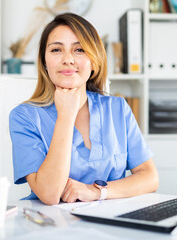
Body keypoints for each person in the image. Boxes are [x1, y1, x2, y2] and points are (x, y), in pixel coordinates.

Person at [9, 13, 159, 205]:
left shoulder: (117, 108)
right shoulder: (24, 117)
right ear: (45, 63)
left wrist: (95, 192)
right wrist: (65, 116)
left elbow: (149, 177)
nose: (68, 59)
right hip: (53, 225)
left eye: (79, 49)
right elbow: (49, 194)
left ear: (94, 61)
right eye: (56, 50)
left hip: (113, 223)